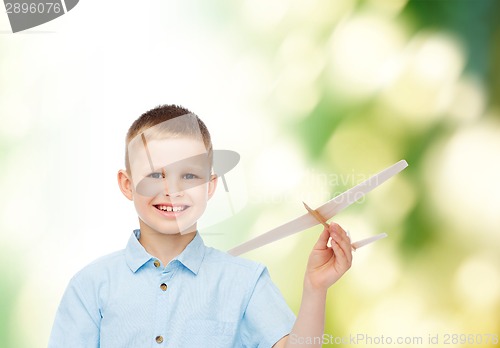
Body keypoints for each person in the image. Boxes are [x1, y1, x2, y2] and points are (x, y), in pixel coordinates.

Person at [48, 104, 353, 348]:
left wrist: (316, 288)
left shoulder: (245, 282)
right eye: (156, 175)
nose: (172, 189)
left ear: (210, 185)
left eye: (190, 176)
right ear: (127, 184)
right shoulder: (90, 286)